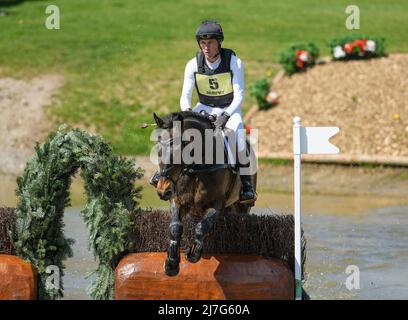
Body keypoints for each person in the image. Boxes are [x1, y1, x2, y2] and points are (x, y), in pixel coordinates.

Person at [150, 20, 255, 202]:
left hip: (229, 108)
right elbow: (185, 97)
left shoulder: (234, 62)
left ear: (219, 43)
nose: (206, 47)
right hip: (203, 107)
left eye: (210, 43)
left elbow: (239, 95)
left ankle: (246, 185)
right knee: (177, 134)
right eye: (203, 43)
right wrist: (189, 114)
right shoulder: (192, 64)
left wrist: (226, 115)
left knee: (238, 136)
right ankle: (164, 173)